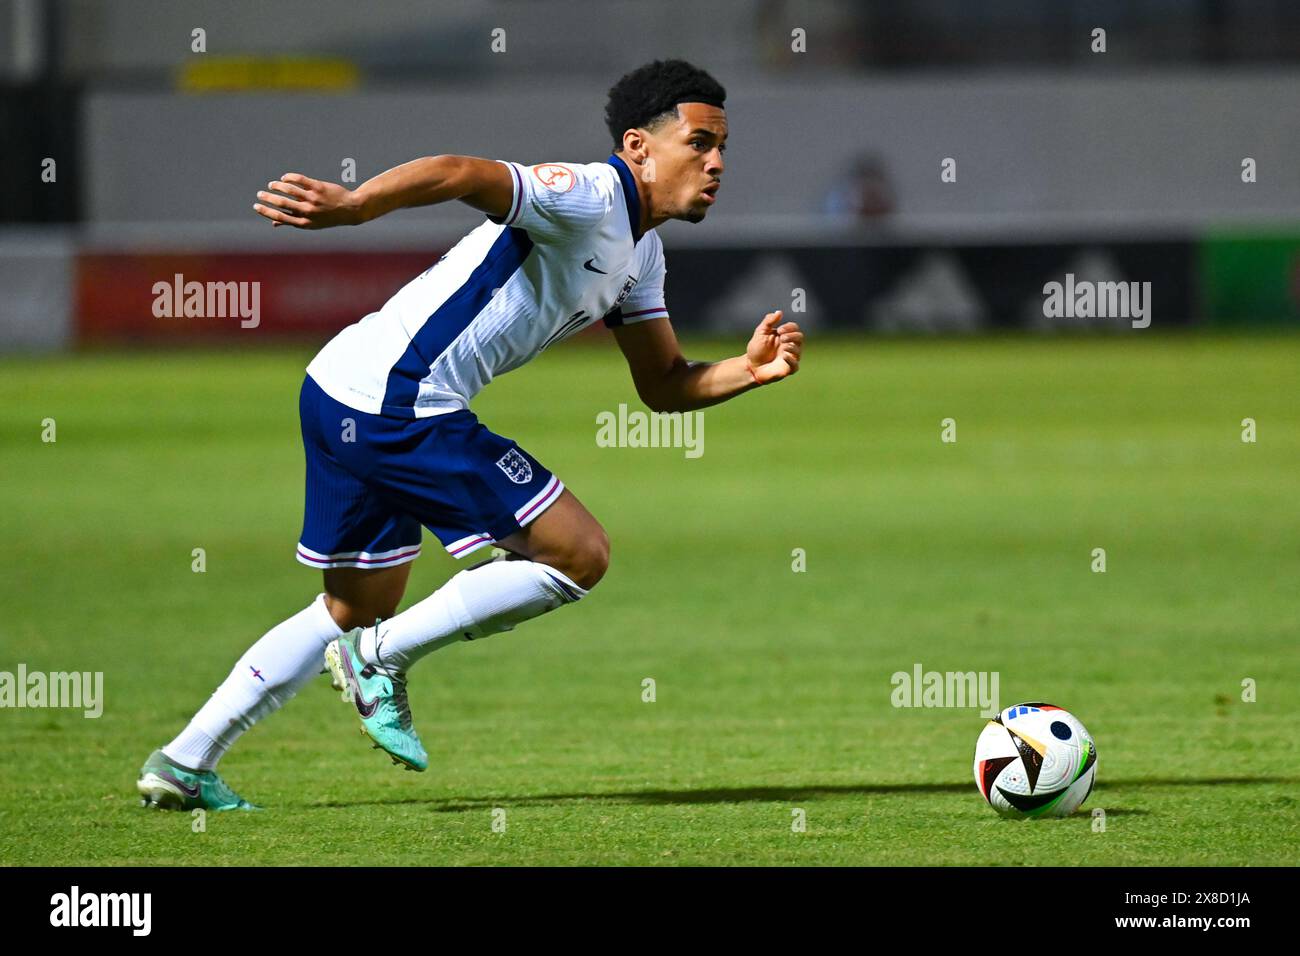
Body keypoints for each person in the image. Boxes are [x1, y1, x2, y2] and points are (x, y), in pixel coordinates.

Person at [136, 58, 804, 811]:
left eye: (722, 147)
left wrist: (747, 371)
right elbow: (460, 171)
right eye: (699, 142)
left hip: (339, 387)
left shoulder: (642, 254)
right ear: (638, 147)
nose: (716, 162)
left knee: (353, 604)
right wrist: (354, 206)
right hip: (400, 402)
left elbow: (663, 383)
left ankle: (186, 760)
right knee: (579, 553)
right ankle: (379, 661)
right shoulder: (588, 194)